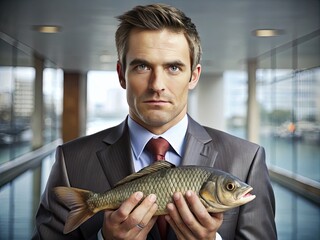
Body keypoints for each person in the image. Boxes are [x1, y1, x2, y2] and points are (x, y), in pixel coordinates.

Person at [32, 3, 277, 240]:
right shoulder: (71, 161)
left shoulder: (246, 160)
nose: (157, 85)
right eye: (142, 66)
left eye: (173, 68)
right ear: (121, 75)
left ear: (193, 76)